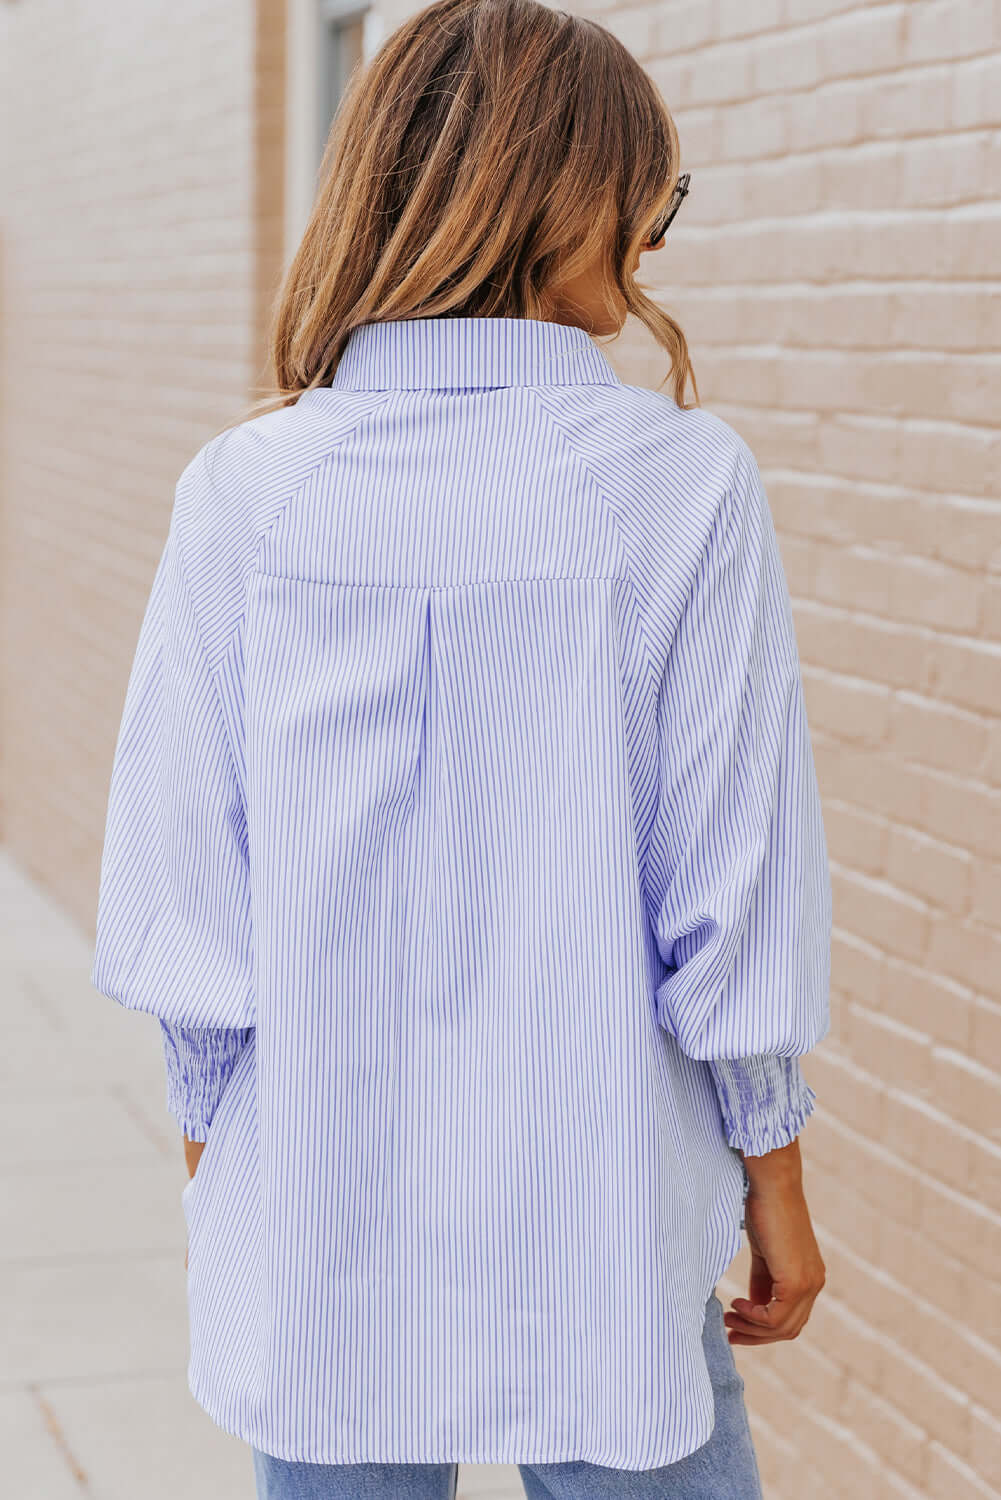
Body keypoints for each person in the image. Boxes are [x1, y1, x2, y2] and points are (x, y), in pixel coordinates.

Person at [90, 0, 831, 1495]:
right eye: (652, 198)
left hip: (318, 1223)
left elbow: (183, 897)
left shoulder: (248, 491)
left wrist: (232, 1173)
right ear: (567, 197)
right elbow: (729, 898)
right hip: (601, 1215)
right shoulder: (680, 488)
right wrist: (776, 1183)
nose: (654, 241)